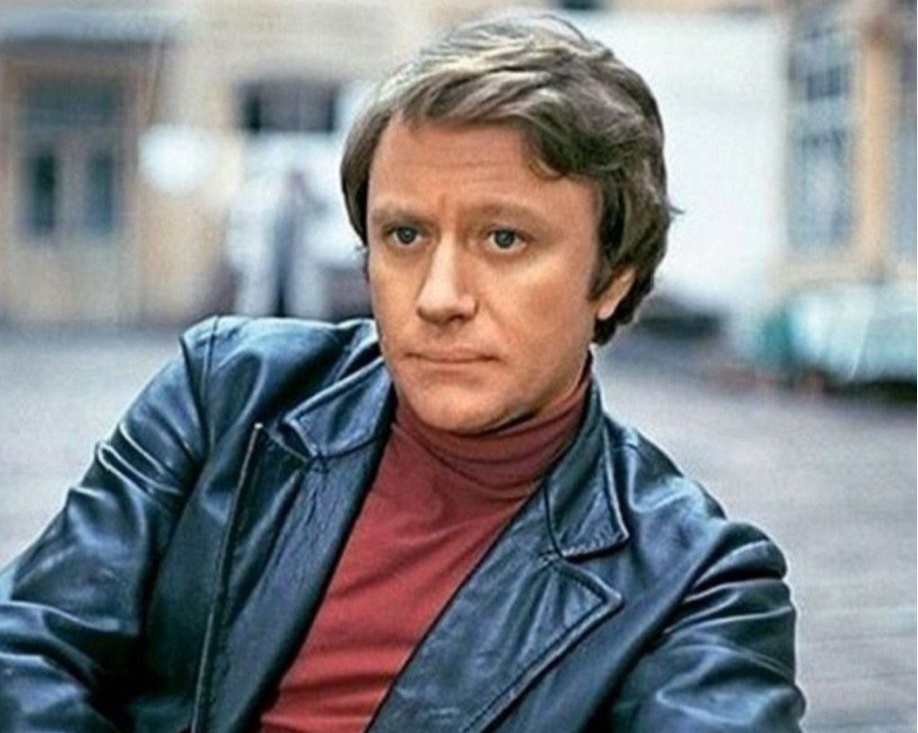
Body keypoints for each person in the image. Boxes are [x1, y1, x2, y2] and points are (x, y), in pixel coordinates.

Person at [0, 15, 805, 733]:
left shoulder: (695, 585)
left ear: (614, 276)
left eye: (504, 239)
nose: (439, 297)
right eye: (406, 236)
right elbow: (26, 646)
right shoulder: (229, 393)